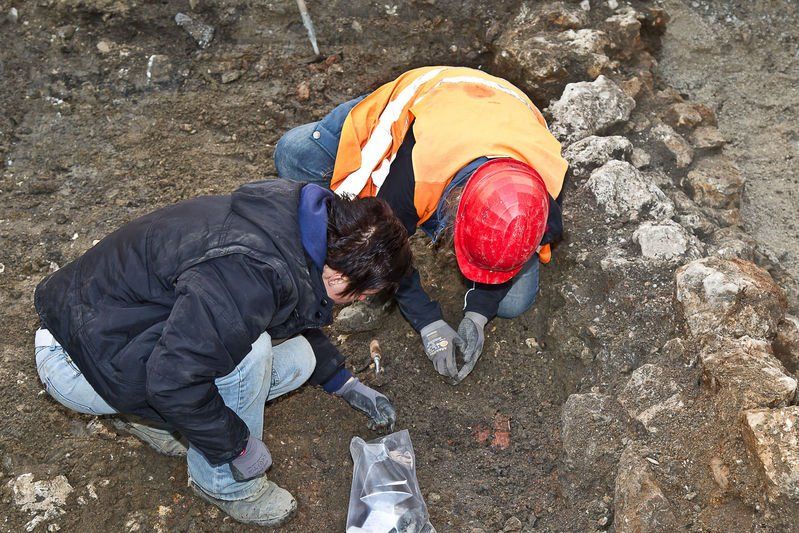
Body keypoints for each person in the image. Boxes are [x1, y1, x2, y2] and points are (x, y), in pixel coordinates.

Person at [33, 179, 411, 527]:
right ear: (340, 276)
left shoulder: (296, 220)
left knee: (300, 358)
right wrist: (238, 447)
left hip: (110, 327)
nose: (359, 302)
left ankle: (155, 421)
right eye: (363, 294)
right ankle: (223, 485)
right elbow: (172, 380)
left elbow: (291, 308)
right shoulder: (253, 273)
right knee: (250, 354)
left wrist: (343, 382)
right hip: (79, 360)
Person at [275, 66, 568, 384]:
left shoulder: (543, 193)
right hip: (424, 97)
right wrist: (428, 322)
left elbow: (521, 241)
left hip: (499, 109)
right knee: (295, 156)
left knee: (512, 303)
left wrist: (479, 313)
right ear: (454, 212)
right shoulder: (410, 179)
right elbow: (385, 253)